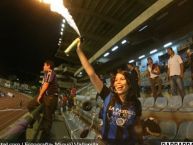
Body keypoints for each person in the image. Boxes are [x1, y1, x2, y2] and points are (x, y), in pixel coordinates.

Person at [76, 38, 142, 145]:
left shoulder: (136, 103)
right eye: (116, 80)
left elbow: (138, 127)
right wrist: (79, 50)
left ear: (129, 83)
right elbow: (92, 74)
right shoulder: (108, 95)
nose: (118, 82)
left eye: (122, 79)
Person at [27, 60, 58, 139]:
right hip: (45, 96)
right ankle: (41, 121)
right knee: (30, 105)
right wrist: (40, 95)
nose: (43, 66)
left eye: (44, 65)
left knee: (48, 117)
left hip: (51, 97)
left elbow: (46, 84)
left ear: (49, 66)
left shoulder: (51, 72)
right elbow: (42, 86)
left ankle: (45, 136)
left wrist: (40, 95)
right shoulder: (45, 74)